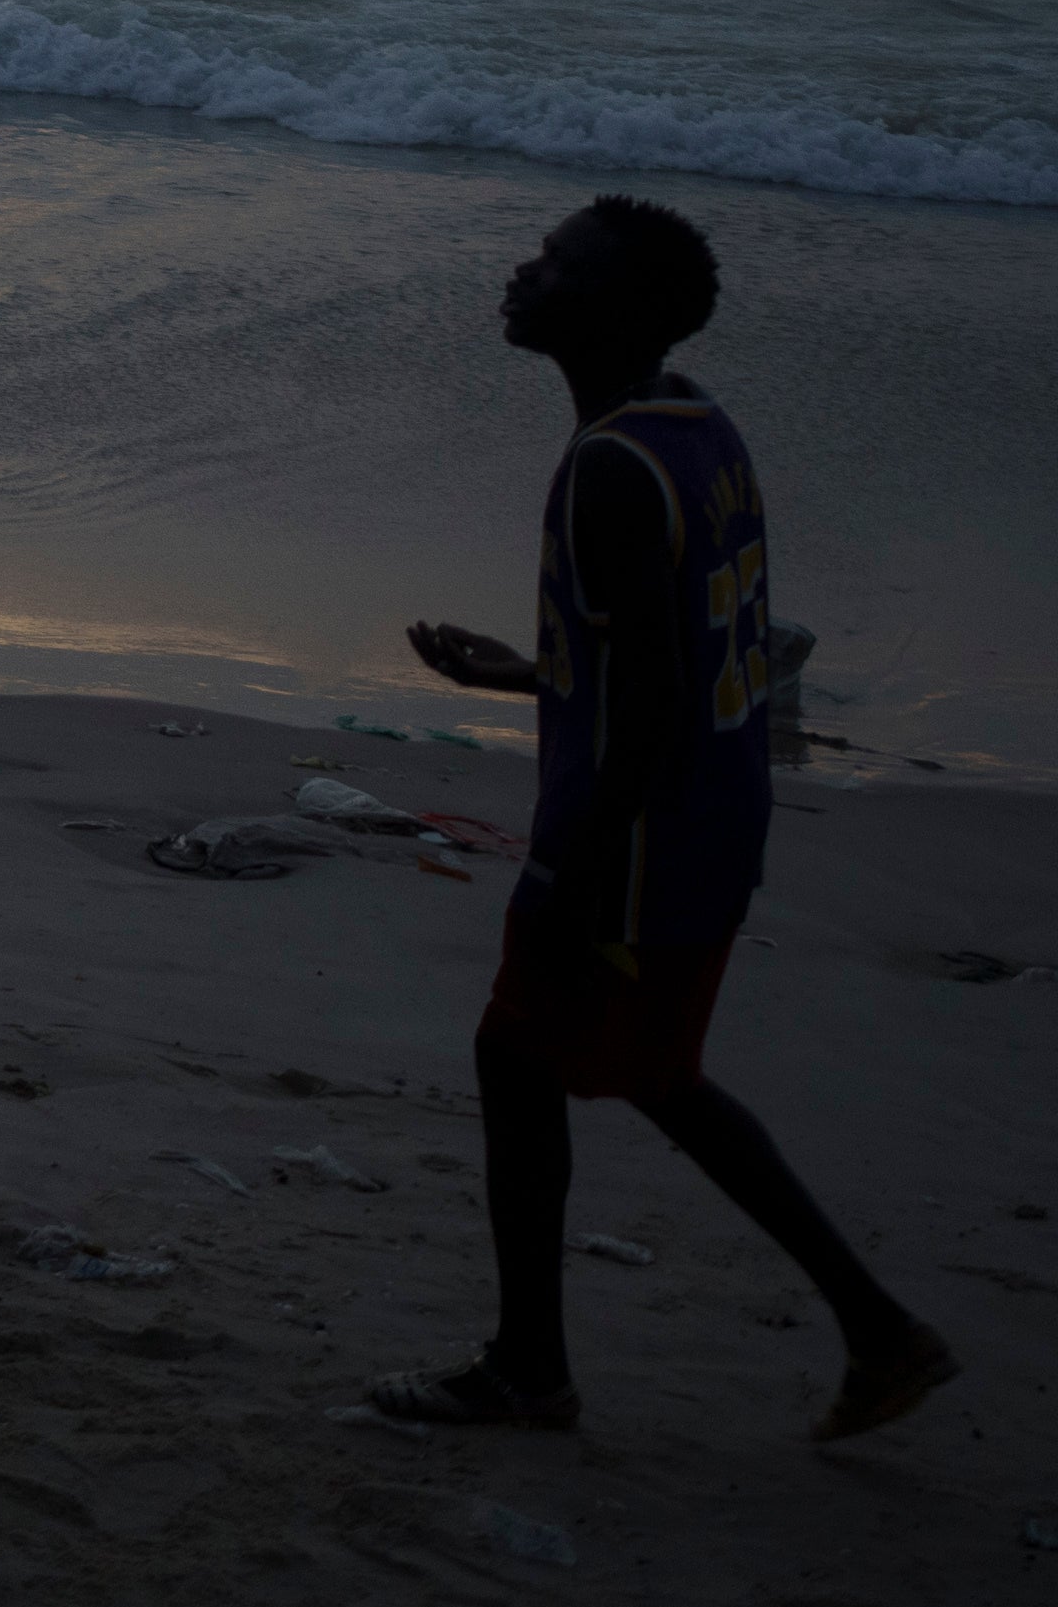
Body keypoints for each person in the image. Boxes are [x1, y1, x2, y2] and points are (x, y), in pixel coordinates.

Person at [367, 197, 951, 1441]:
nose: (525, 274)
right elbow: (667, 657)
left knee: (524, 1060)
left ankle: (533, 1372)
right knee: (655, 1072)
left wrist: (574, 878)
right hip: (712, 825)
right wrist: (523, 675)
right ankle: (878, 1327)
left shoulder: (610, 469)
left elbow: (653, 706)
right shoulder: (699, 430)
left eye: (557, 266)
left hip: (637, 845)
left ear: (618, 310)